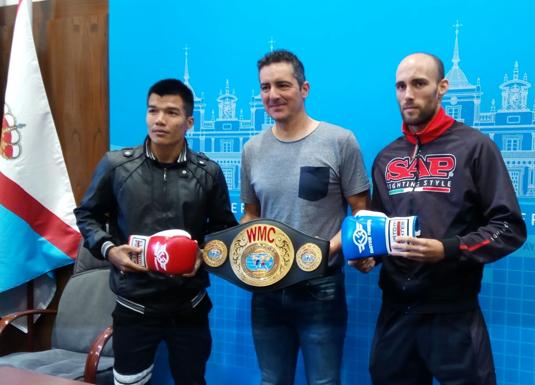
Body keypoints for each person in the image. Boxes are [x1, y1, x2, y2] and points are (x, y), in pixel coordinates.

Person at [357, 53, 527, 385]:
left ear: (442, 88)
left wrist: (448, 249)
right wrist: (369, 255)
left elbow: (508, 226)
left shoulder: (475, 147)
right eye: (401, 86)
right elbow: (381, 229)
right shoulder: (386, 157)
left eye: (419, 84)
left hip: (453, 314)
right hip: (395, 313)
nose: (408, 94)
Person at [74, 79, 238, 385]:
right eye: (153, 111)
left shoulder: (209, 172)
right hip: (134, 305)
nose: (159, 120)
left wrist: (206, 255)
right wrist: (110, 249)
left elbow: (224, 231)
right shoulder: (117, 166)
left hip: (190, 306)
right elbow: (87, 215)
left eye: (171, 113)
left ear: (189, 122)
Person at [240, 49, 370, 385]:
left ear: (304, 89)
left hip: (321, 288)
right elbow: (251, 214)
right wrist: (240, 247)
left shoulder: (339, 141)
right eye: (265, 87)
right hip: (266, 289)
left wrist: (324, 251)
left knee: (324, 382)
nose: (273, 95)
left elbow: (361, 212)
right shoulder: (251, 149)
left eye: (282, 85)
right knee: (271, 380)